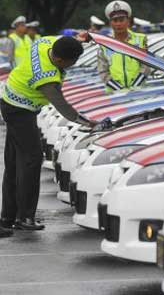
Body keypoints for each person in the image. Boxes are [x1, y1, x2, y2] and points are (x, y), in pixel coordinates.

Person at [0, 36, 99, 232]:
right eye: (73, 62)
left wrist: (81, 39)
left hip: (9, 101)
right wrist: (88, 123)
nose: (74, 65)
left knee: (14, 163)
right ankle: (25, 217)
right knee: (31, 159)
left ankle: (8, 216)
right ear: (62, 61)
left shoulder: (43, 43)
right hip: (20, 111)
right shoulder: (47, 77)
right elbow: (64, 108)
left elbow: (63, 40)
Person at [97, 0, 150, 92]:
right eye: (115, 20)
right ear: (110, 23)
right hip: (115, 94)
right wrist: (119, 90)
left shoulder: (140, 39)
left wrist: (134, 87)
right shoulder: (104, 43)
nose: (118, 24)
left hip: (139, 92)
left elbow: (146, 66)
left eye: (121, 20)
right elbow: (103, 71)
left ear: (128, 21)